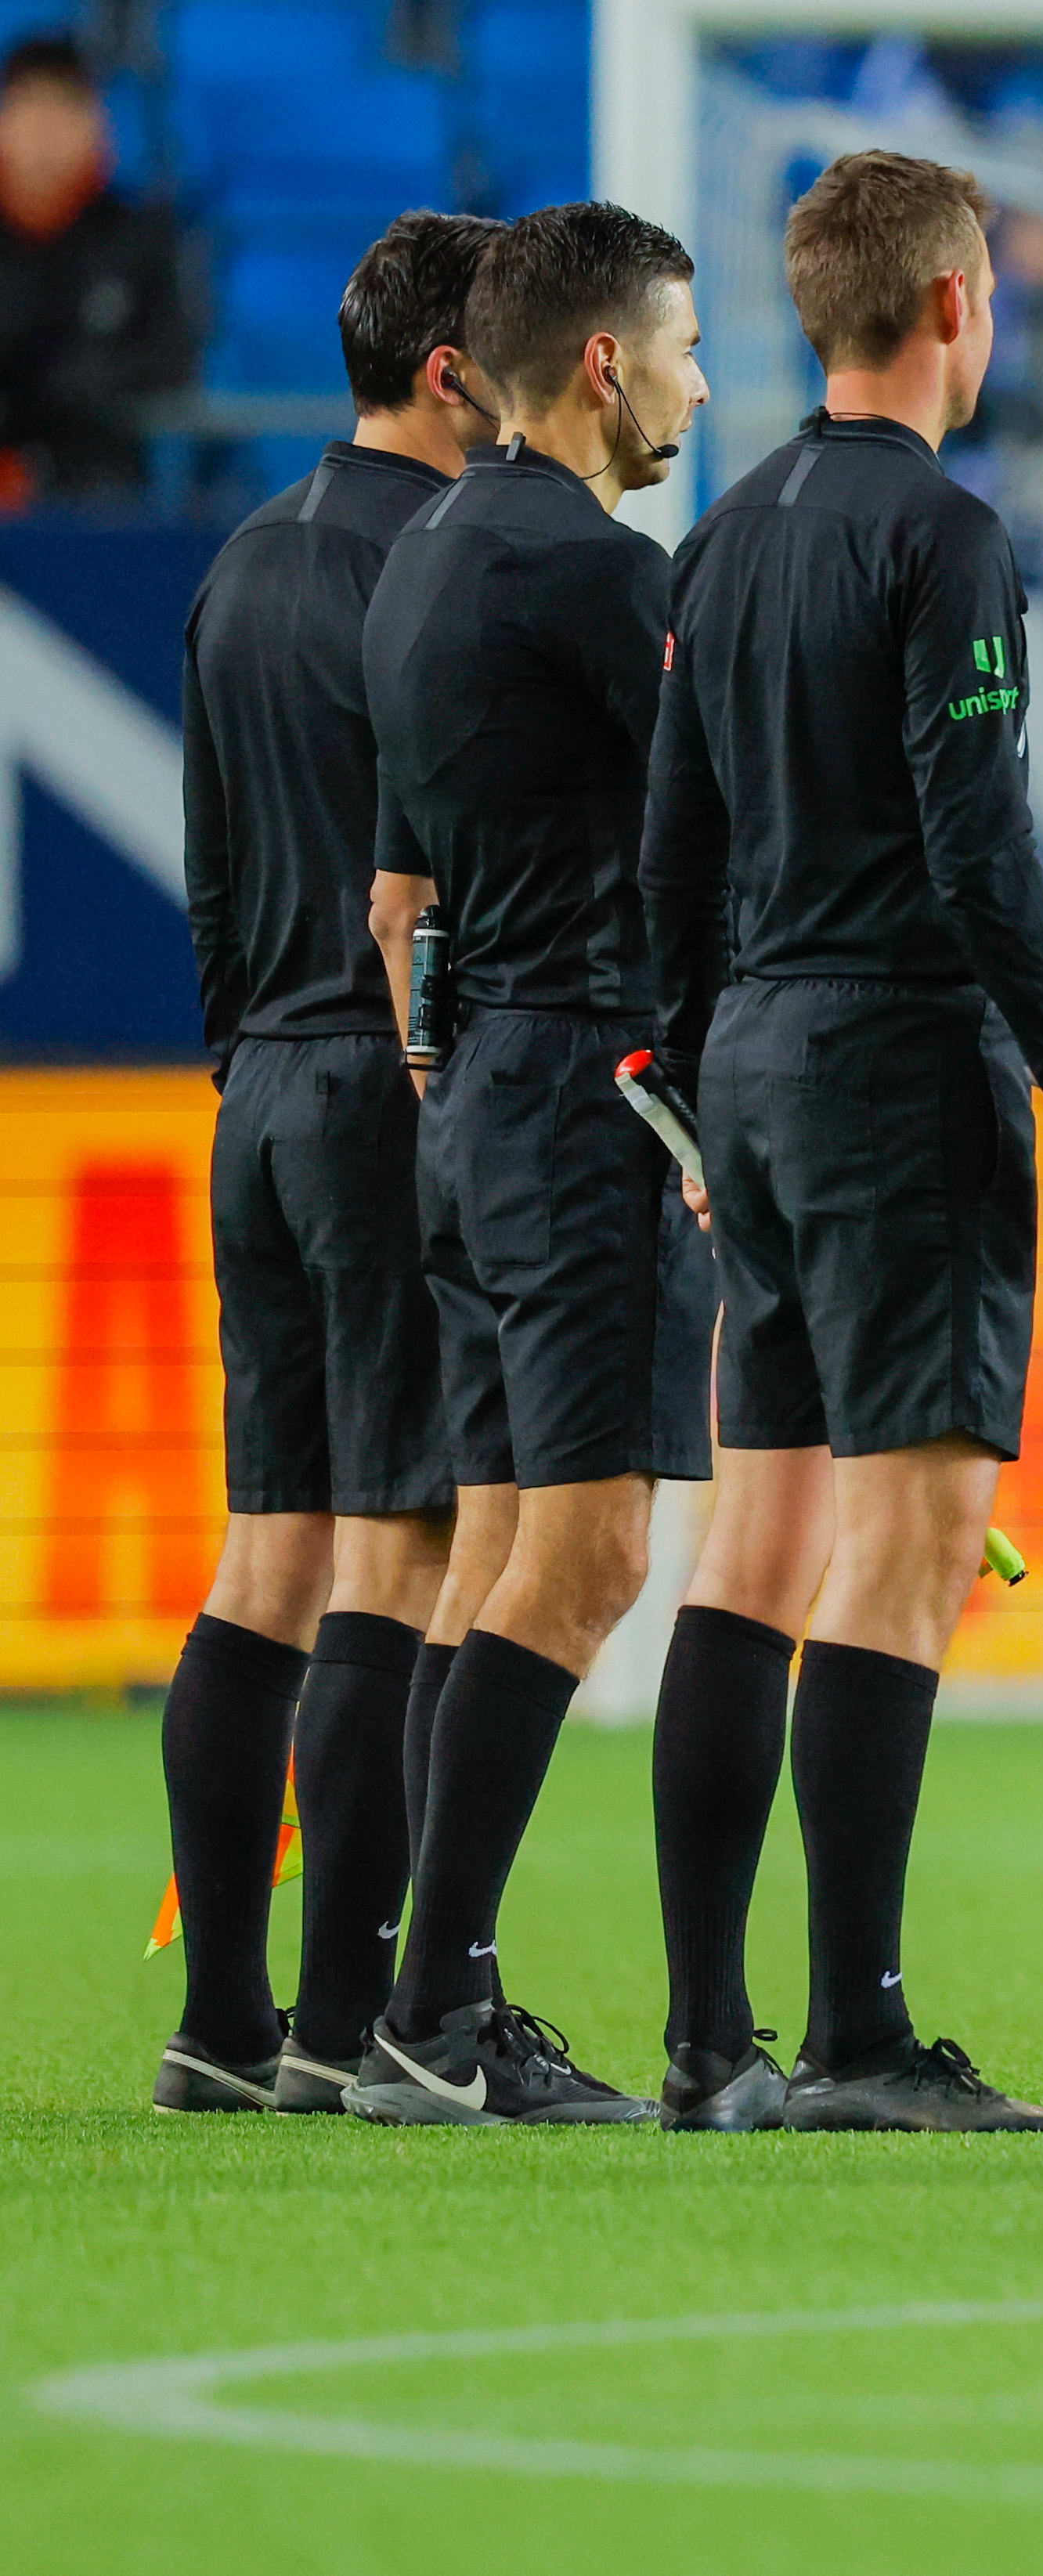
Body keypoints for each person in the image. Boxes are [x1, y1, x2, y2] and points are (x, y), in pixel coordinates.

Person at [642, 150, 1043, 2133]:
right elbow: (979, 848)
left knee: (755, 1543)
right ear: (953, 306)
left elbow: (673, 856)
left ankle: (709, 2043)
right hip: (893, 1066)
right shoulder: (944, 535)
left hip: (757, 1068)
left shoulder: (723, 535)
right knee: (912, 1543)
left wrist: (687, 1089)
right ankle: (856, 2039)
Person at [344, 202, 715, 2127]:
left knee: (490, 1554)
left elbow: (398, 886)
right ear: (602, 361)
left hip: (478, 1086)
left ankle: (425, 2000)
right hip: (580, 1088)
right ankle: (433, 2010)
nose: (699, 386)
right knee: (588, 1556)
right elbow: (719, 821)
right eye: (685, 347)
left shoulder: (422, 553)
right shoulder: (591, 568)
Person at [150, 211, 503, 2116]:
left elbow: (211, 870)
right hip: (392, 1090)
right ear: (453, 374)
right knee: (405, 1550)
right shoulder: (447, 567)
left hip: (264, 1091)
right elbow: (456, 876)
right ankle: (355, 2021)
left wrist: (258, 1061)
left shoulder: (245, 561)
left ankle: (220, 2019)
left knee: (268, 1547)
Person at [0, 35, 191, 504]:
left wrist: (82, 384)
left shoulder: (140, 238)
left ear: (98, 123)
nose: (45, 128)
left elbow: (175, 354)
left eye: (66, 105)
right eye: (30, 104)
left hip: (101, 493)